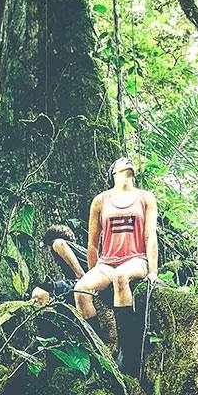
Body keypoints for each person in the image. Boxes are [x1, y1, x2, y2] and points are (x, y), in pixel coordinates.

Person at [74, 156, 159, 377]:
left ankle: (127, 352)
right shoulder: (100, 201)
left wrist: (153, 271)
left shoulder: (145, 198)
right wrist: (93, 270)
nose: (128, 161)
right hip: (106, 262)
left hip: (136, 260)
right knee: (80, 291)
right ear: (113, 172)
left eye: (130, 161)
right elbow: (92, 242)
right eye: (123, 161)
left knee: (121, 277)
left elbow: (150, 236)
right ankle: (98, 348)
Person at [30, 224, 85, 306]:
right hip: (84, 283)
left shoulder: (58, 243)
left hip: (84, 282)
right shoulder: (80, 251)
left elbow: (59, 244)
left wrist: (81, 275)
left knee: (40, 291)